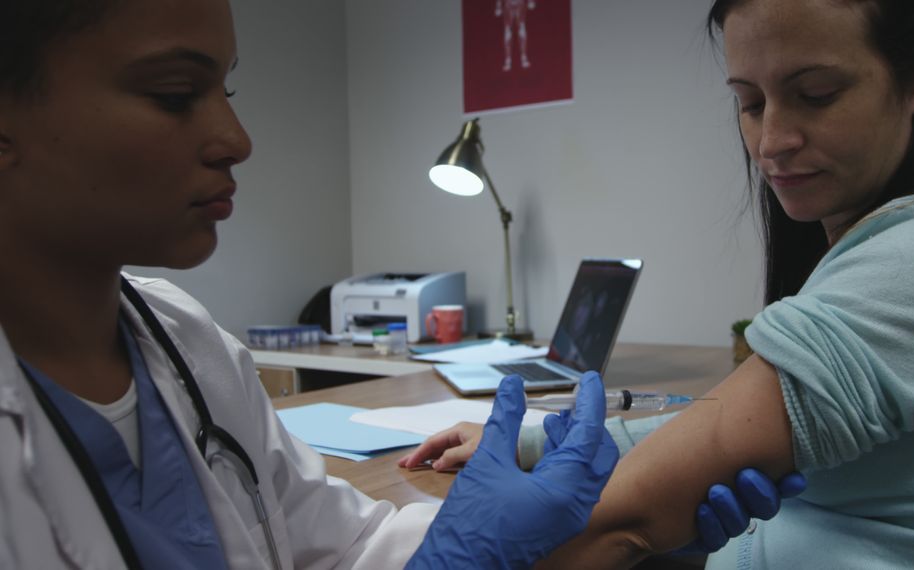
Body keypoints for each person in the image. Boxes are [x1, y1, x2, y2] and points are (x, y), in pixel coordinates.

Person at [0, 0, 794, 568]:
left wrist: (594, 532)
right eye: (176, 95)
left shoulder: (182, 339)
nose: (236, 139)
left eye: (227, 92)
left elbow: (344, 547)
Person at [406, 0, 914, 568]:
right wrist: (537, 442)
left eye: (817, 95)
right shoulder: (901, 239)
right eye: (751, 102)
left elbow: (626, 516)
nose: (772, 140)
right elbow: (709, 432)